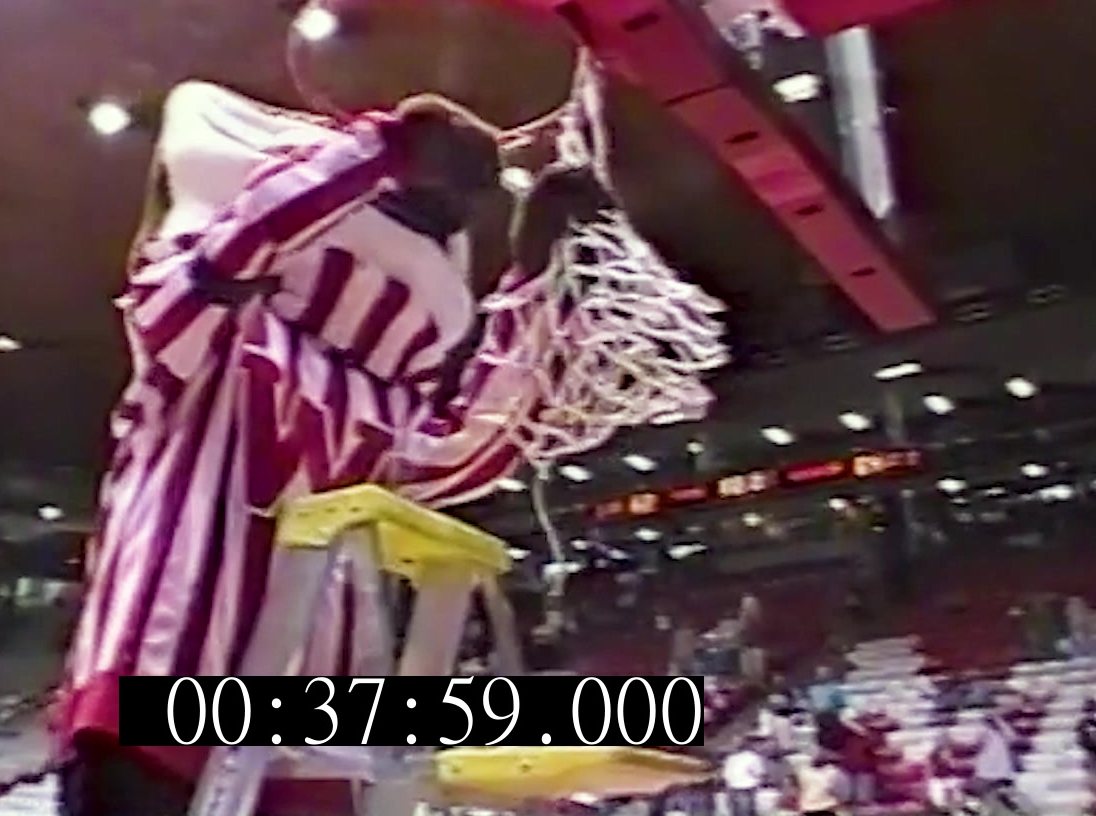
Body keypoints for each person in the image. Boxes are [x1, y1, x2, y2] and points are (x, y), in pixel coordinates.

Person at [52, 81, 646, 816]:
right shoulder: (201, 318)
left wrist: (542, 287)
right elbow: (237, 247)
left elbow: (468, 448)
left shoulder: (375, 401)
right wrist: (386, 148)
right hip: (164, 678)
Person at [722, 735, 766, 816]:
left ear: (744, 743)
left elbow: (760, 774)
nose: (735, 744)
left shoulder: (752, 757)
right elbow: (727, 776)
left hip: (746, 791)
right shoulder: (730, 758)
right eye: (734, 742)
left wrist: (756, 789)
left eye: (738, 742)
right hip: (732, 790)